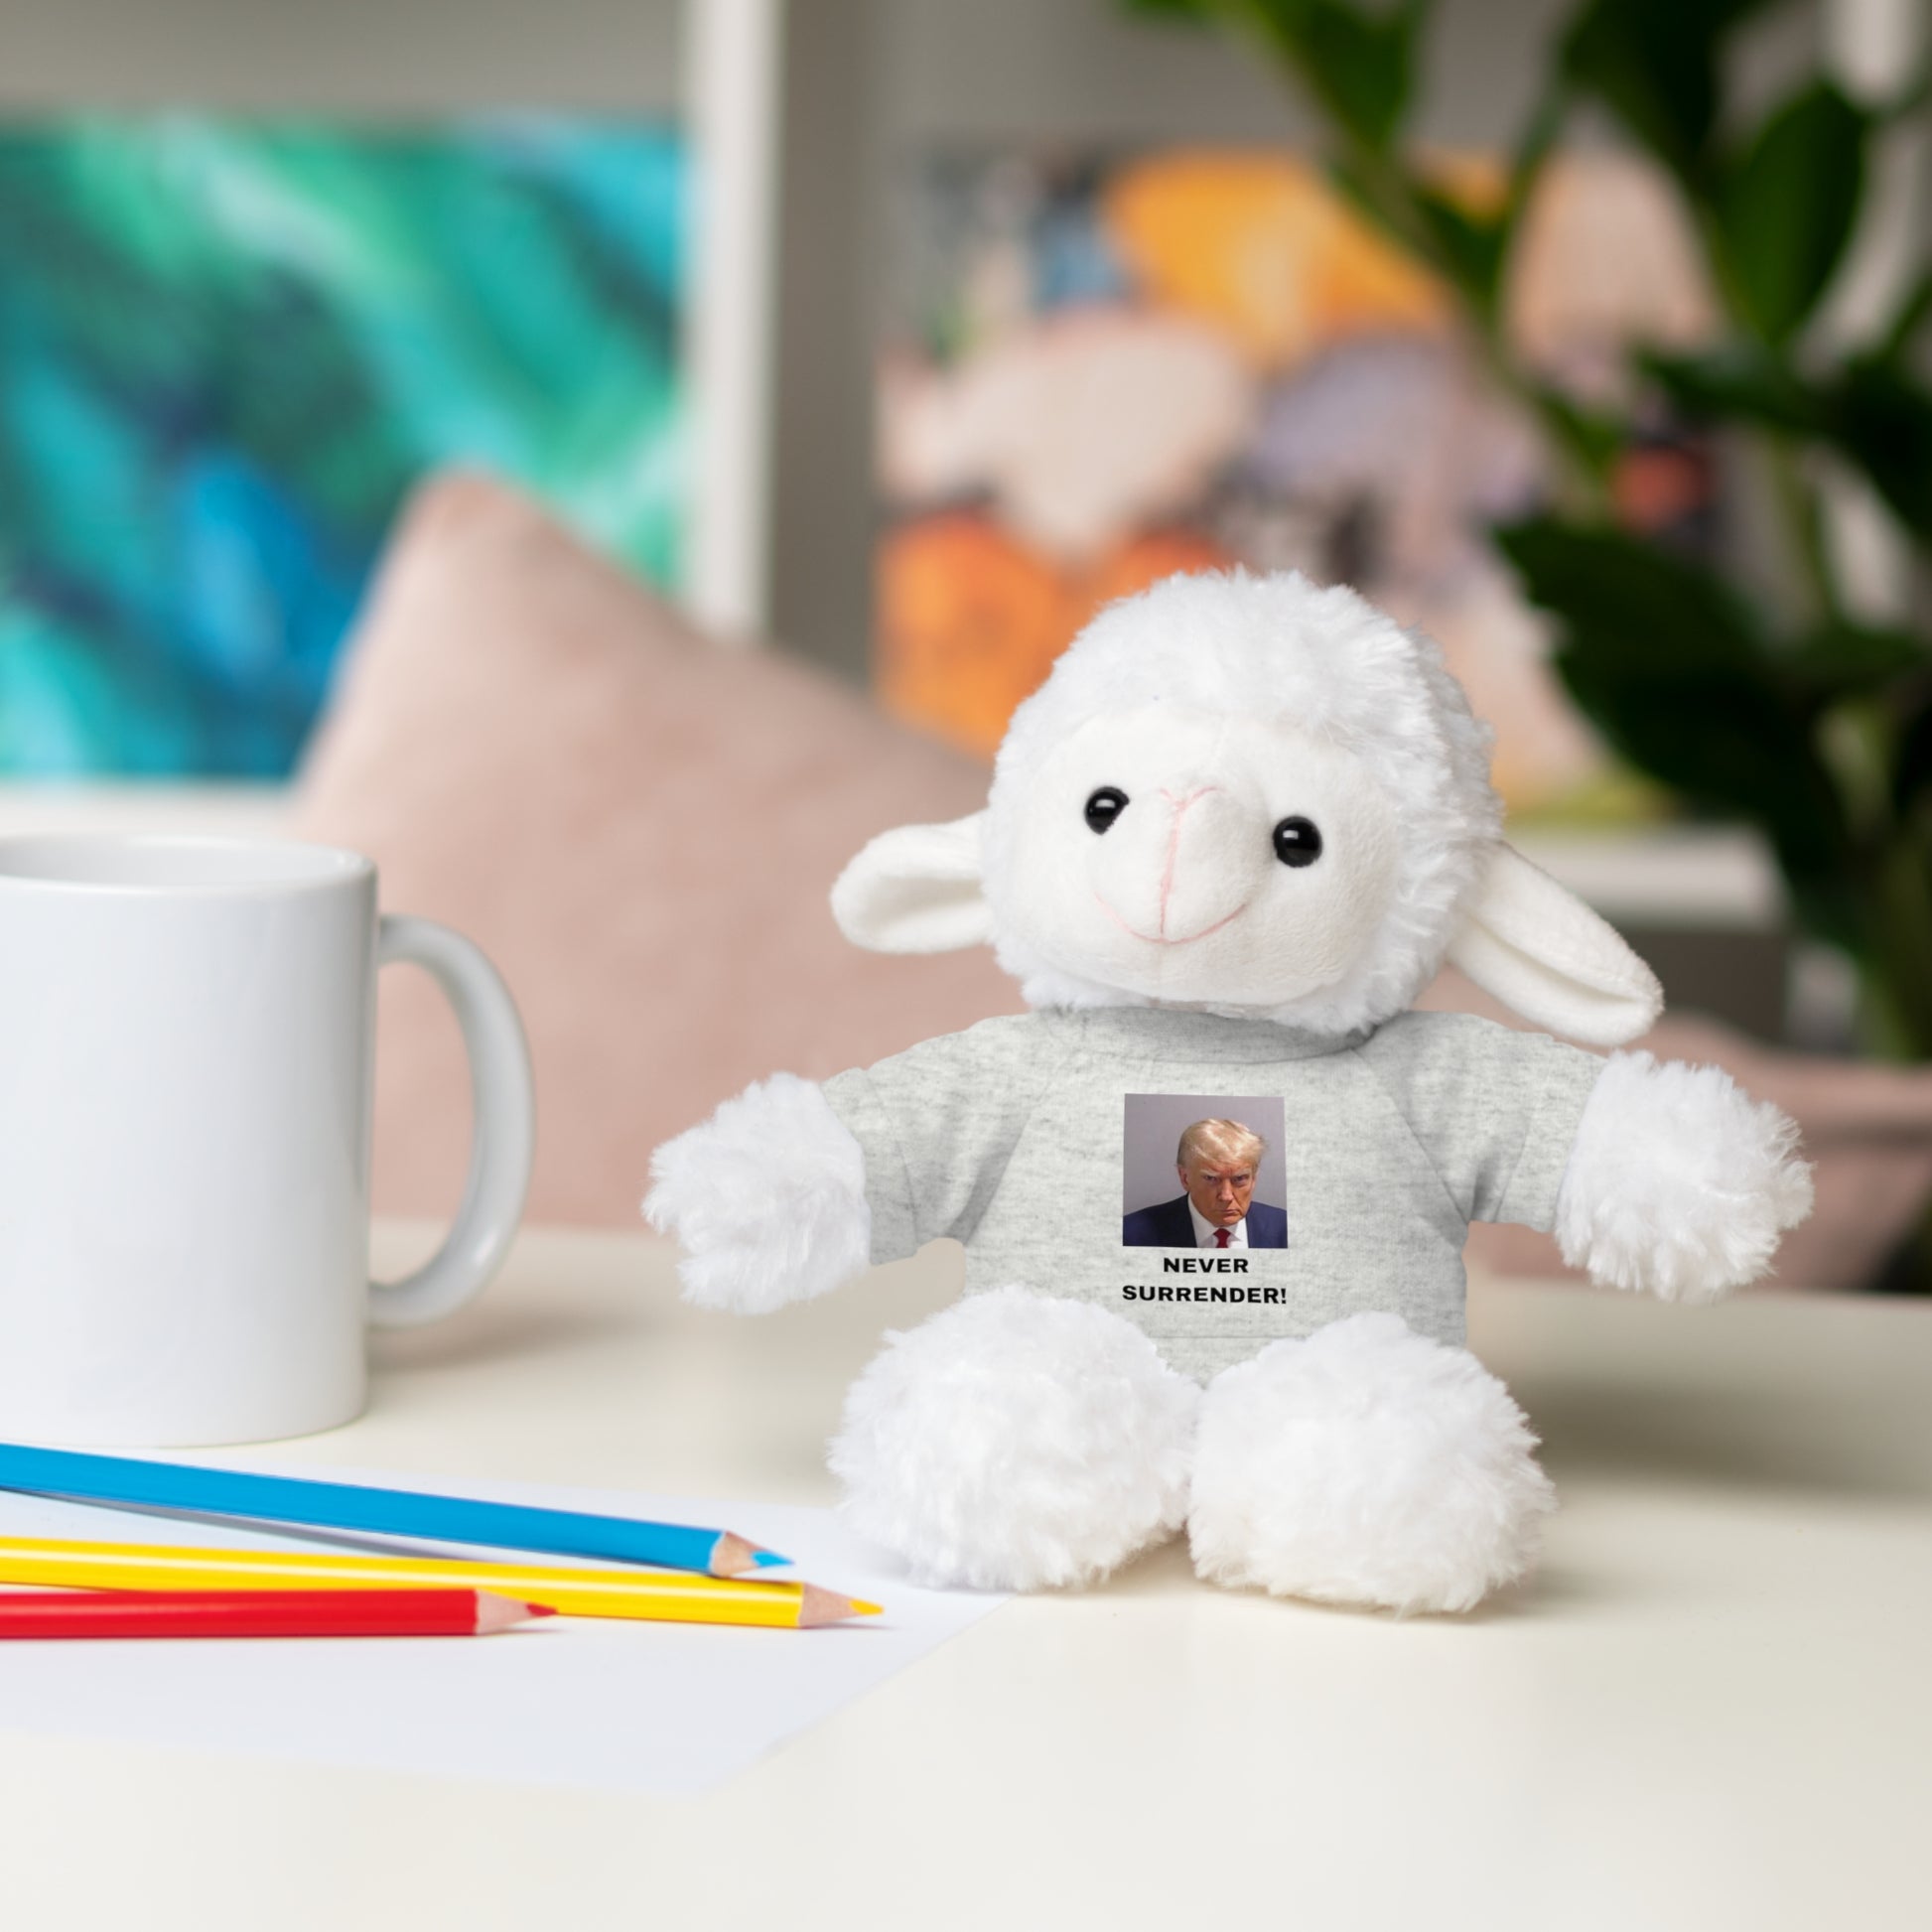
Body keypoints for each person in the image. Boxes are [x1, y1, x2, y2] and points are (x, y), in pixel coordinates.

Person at [1122, 1117, 1287, 1249]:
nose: (1226, 1196)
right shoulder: (1131, 1235)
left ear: (1254, 1178)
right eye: (1211, 1179)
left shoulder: (1285, 1228)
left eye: (1240, 1179)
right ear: (1184, 1178)